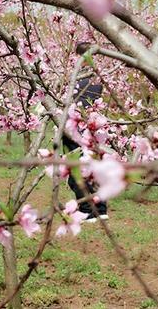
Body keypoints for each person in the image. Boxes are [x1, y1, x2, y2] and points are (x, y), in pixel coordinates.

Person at [64, 42, 108, 222]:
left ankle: (87, 210)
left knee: (76, 171)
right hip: (93, 129)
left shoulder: (81, 79)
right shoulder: (97, 77)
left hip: (77, 130)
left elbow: (73, 106)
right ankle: (101, 209)